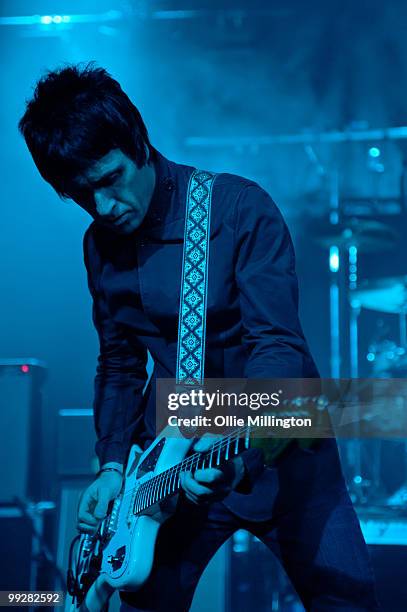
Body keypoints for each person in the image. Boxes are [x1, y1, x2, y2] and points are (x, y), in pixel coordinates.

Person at [19, 63, 379, 611]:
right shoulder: (100, 245)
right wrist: (113, 465)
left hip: (280, 445)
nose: (104, 209)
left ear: (138, 142)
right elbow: (118, 363)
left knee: (348, 602)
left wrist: (232, 435)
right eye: (82, 196)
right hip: (166, 469)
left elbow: (277, 345)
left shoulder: (238, 209)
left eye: (110, 180)